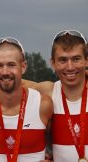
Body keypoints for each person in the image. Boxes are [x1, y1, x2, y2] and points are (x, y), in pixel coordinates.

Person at [0, 37, 53, 162]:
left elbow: (58, 145)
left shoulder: (43, 104)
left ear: (23, 67)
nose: (5, 72)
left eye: (11, 65)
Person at [26, 30, 88, 162]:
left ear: (86, 61)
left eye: (76, 59)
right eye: (63, 60)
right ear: (53, 63)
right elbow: (9, 81)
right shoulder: (48, 91)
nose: (70, 67)